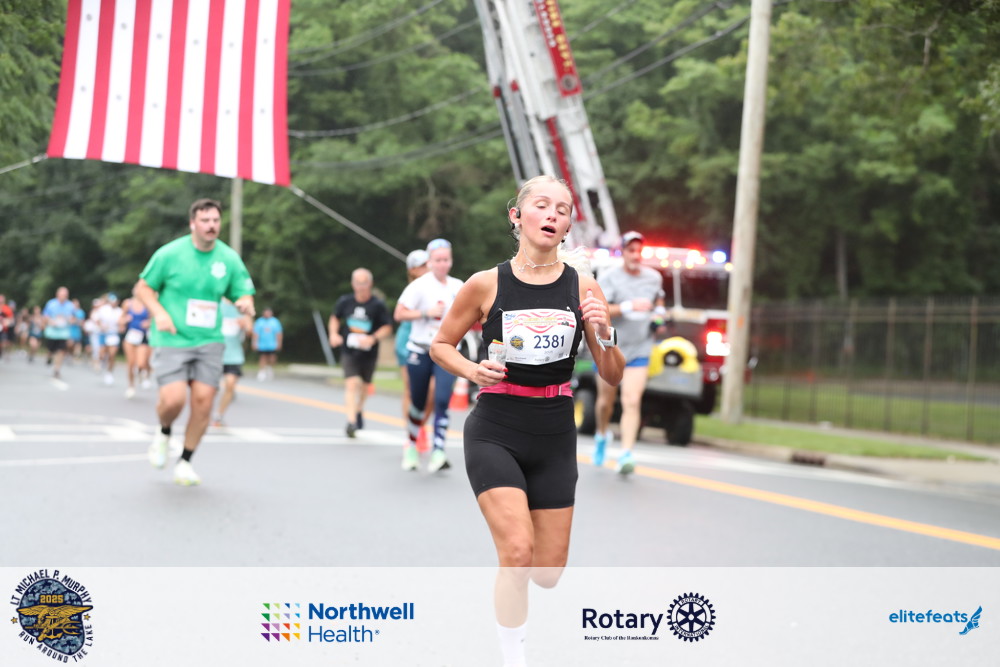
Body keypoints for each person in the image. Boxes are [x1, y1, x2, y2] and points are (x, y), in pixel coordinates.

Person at [429, 175, 624, 667]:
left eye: (563, 208)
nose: (553, 214)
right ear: (517, 216)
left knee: (547, 573)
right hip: (496, 427)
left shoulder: (584, 286)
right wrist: (472, 370)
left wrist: (604, 330)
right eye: (542, 205)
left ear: (567, 226)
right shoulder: (485, 283)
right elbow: (441, 345)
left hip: (555, 431)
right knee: (517, 552)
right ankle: (512, 655)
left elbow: (612, 374)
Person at [133, 198, 256, 486]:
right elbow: (143, 288)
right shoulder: (170, 254)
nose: (211, 225)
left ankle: (185, 461)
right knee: (173, 400)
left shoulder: (228, 258)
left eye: (215, 220)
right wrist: (160, 313)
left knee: (203, 402)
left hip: (209, 340)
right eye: (205, 220)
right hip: (172, 337)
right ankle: (164, 432)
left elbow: (243, 291)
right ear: (192, 223)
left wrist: (245, 302)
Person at [593, 230, 666, 475]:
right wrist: (628, 306)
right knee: (606, 403)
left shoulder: (653, 278)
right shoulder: (609, 277)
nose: (636, 255)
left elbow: (659, 302)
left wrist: (658, 316)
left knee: (632, 401)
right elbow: (601, 310)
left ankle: (626, 454)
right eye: (631, 250)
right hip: (611, 348)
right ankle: (602, 435)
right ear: (622, 252)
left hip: (640, 347)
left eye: (639, 251)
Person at [394, 238, 464, 473]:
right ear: (430, 262)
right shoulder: (419, 286)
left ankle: (438, 451)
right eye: (438, 260)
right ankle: (412, 446)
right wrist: (426, 312)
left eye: (446, 260)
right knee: (418, 401)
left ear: (451, 261)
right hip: (420, 349)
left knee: (442, 400)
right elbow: (399, 313)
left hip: (446, 351)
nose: (442, 264)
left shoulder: (458, 286)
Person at [328, 268, 393, 437]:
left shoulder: (377, 305)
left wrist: (373, 338)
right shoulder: (345, 301)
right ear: (353, 284)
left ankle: (358, 410)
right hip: (349, 351)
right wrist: (333, 334)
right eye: (358, 283)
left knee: (364, 386)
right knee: (352, 383)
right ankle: (351, 422)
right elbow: (335, 318)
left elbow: (387, 327)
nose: (361, 287)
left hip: (369, 352)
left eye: (364, 283)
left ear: (370, 284)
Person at [395, 250, 434, 451]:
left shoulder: (438, 285)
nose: (427, 268)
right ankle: (411, 433)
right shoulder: (412, 289)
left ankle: (420, 425)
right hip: (408, 342)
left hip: (431, 344)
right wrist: (426, 312)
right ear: (412, 270)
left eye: (428, 264)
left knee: (433, 392)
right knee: (411, 390)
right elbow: (400, 314)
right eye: (422, 266)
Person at [213, 298, 253, 427]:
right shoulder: (216, 303)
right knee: (209, 389)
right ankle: (203, 414)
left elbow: (250, 331)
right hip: (214, 353)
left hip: (234, 355)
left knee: (230, 384)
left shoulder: (243, 307)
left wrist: (245, 325)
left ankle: (219, 416)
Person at [119, 295, 152, 399]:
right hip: (130, 336)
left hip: (143, 337)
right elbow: (120, 320)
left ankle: (141, 374)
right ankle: (131, 386)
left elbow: (153, 319)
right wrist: (125, 320)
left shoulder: (148, 303)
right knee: (131, 363)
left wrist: (148, 323)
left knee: (141, 364)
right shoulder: (127, 303)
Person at [41, 286, 78, 379]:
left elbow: (73, 318)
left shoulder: (70, 305)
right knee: (51, 349)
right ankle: (49, 356)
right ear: (57, 295)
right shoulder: (51, 303)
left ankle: (57, 369)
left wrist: (70, 320)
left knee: (61, 351)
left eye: (65, 295)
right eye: (62, 295)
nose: (63, 297)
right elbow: (45, 316)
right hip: (52, 331)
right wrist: (50, 321)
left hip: (63, 332)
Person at [92, 293, 123, 385]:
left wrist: (121, 326)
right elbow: (97, 320)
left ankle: (109, 373)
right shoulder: (103, 309)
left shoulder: (120, 311)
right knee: (102, 354)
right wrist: (101, 326)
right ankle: (101, 362)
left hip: (114, 334)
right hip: (104, 334)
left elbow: (122, 323)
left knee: (112, 355)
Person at [252, 307, 283, 381]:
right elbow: (256, 333)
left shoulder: (275, 322)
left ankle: (270, 369)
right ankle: (262, 371)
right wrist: (254, 343)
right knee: (263, 357)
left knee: (272, 357)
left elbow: (279, 333)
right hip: (262, 344)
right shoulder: (259, 321)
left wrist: (279, 343)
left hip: (272, 344)